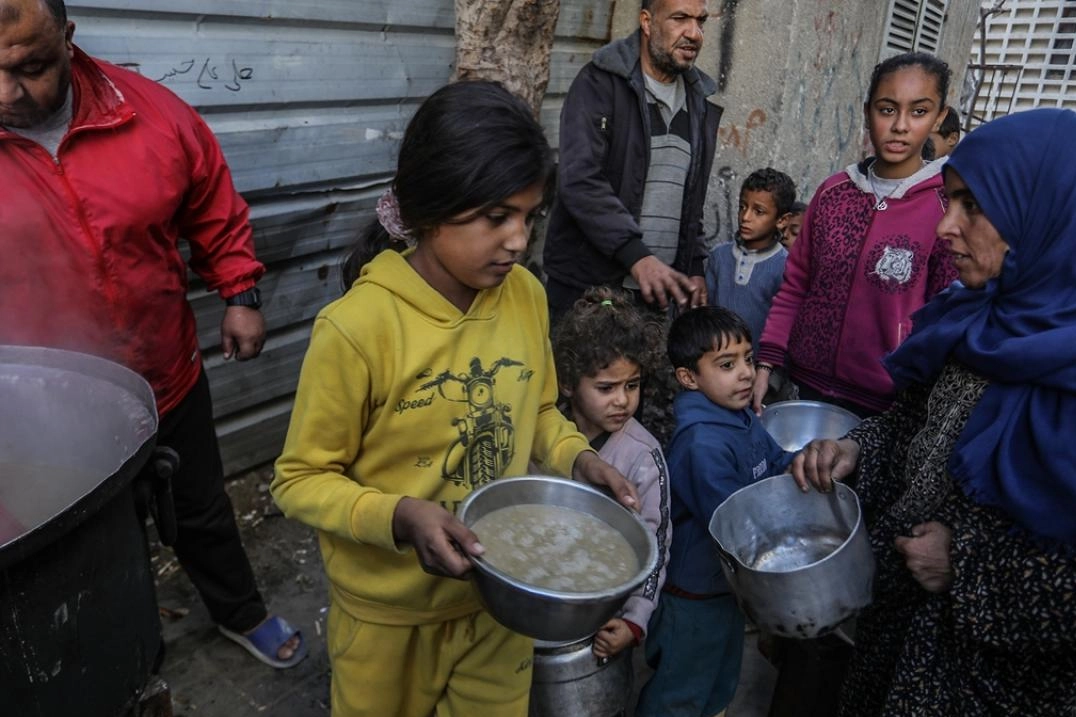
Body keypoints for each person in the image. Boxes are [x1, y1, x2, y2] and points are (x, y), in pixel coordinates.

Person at [270, 80, 639, 717]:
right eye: (497, 216)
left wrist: (578, 457)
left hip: (498, 601)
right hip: (387, 620)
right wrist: (400, 516)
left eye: (529, 216)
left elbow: (541, 410)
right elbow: (299, 479)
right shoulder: (357, 329)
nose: (520, 240)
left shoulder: (523, 295)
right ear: (429, 209)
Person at [0, 0, 304, 668]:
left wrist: (241, 293)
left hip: (166, 372)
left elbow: (213, 207)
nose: (7, 93)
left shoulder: (152, 115)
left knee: (200, 509)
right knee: (92, 544)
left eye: (30, 68)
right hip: (43, 413)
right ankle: (131, 649)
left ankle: (239, 611)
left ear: (68, 40)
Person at [792, 107, 1076, 716]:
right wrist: (856, 447)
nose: (946, 226)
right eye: (948, 200)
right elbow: (915, 424)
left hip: (992, 687)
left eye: (971, 205)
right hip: (899, 635)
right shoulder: (975, 316)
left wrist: (964, 563)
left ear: (1046, 212)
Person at [753, 52, 958, 419]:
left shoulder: (945, 208)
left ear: (939, 117)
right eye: (887, 109)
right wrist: (767, 361)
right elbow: (796, 285)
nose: (900, 125)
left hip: (884, 407)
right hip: (802, 385)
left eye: (919, 111)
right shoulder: (834, 193)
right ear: (868, 112)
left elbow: (943, 317)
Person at [636, 306, 794, 717]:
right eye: (727, 364)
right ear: (689, 378)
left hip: (725, 589)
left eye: (748, 359)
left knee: (721, 682)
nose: (745, 373)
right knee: (681, 691)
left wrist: (805, 462)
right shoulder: (702, 444)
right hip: (692, 594)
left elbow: (775, 461)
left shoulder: (740, 416)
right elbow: (733, 523)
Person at [543, 0, 721, 324]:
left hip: (656, 301)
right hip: (590, 293)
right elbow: (580, 180)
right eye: (680, 18)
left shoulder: (699, 102)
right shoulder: (599, 84)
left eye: (701, 21)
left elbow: (690, 198)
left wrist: (693, 266)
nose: (694, 33)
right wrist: (636, 256)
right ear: (647, 22)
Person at [551, 286, 672, 664]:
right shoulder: (546, 437)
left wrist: (635, 620)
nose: (622, 400)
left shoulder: (642, 455)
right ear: (568, 382)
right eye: (606, 388)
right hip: (548, 599)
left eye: (631, 386)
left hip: (606, 617)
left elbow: (656, 544)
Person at [705, 167, 797, 355]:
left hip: (757, 369)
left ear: (781, 220)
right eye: (742, 207)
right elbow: (706, 314)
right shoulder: (719, 256)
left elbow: (785, 328)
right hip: (714, 362)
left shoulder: (785, 267)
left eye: (759, 211)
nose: (745, 217)